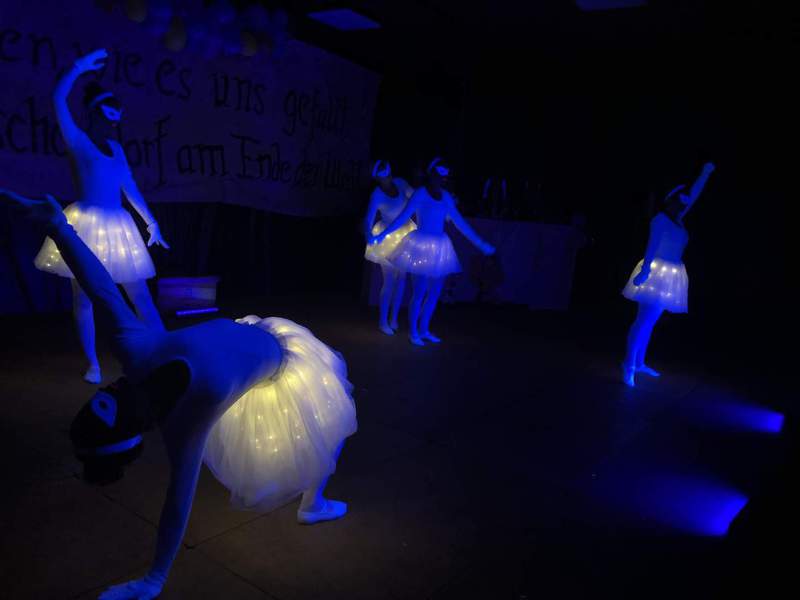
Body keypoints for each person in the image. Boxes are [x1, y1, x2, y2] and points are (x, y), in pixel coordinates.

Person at [1, 189, 356, 600]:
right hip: (284, 367)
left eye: (103, 394)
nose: (112, 388)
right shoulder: (186, 422)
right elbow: (177, 504)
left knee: (322, 425)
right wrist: (154, 578)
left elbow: (100, 286)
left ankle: (313, 501)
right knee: (326, 423)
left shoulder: (135, 351)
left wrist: (59, 228)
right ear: (130, 425)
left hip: (265, 336)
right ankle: (314, 504)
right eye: (110, 405)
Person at [34, 49, 169, 384]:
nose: (114, 123)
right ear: (95, 113)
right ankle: (92, 363)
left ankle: (165, 350)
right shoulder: (77, 140)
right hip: (86, 225)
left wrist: (151, 222)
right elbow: (58, 97)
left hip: (119, 227)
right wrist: (78, 68)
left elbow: (129, 187)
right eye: (109, 115)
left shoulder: (117, 149)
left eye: (117, 118)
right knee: (84, 298)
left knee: (139, 294)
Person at [370, 158, 496, 345]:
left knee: (435, 292)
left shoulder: (446, 197)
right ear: (431, 175)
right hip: (420, 246)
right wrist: (382, 235)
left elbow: (461, 224)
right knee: (419, 292)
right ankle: (414, 332)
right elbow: (403, 217)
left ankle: (424, 329)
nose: (441, 180)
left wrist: (482, 245)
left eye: (444, 177)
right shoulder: (420, 194)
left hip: (439, 248)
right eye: (438, 175)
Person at [621, 162, 716, 386]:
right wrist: (644, 271)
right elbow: (651, 246)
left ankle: (639, 362)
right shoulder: (660, 220)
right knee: (643, 321)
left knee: (649, 322)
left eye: (685, 202)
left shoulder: (679, 220)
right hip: (656, 273)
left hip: (671, 274)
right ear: (671, 200)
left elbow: (694, 196)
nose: (685, 204)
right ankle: (629, 364)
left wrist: (704, 174)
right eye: (680, 200)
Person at [363, 160, 416, 335]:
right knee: (389, 281)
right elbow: (368, 218)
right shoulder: (377, 195)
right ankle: (383, 320)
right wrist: (369, 235)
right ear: (377, 179)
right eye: (381, 179)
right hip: (387, 238)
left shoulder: (401, 183)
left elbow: (415, 197)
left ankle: (393, 318)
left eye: (387, 177)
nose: (385, 181)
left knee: (402, 280)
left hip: (406, 235)